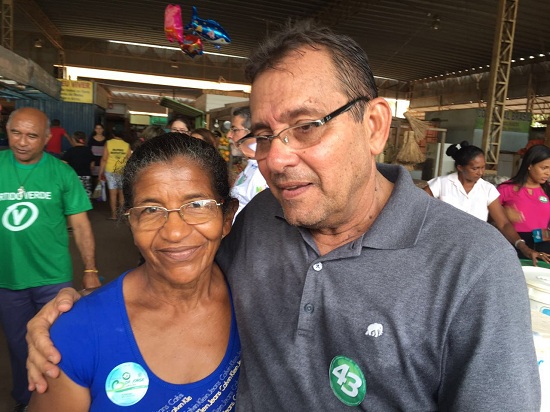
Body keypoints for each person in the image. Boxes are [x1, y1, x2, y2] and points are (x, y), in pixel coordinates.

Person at [26, 20, 540, 411]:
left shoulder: (473, 268)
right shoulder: (260, 219)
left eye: (307, 125)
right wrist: (76, 318)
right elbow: (178, 264)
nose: (275, 158)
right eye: (265, 134)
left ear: (376, 125)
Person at [27, 134, 239, 411]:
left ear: (226, 219)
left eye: (197, 205)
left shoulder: (251, 295)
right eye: (151, 209)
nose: (174, 232)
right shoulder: (77, 333)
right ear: (130, 221)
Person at [0, 107, 100, 412]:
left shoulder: (61, 172)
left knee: (56, 345)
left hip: (53, 278)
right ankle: (25, 399)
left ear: (47, 139)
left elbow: (81, 225)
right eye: (15, 132)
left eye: (32, 135)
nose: (22, 141)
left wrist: (90, 269)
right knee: (19, 347)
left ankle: (56, 401)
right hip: (8, 278)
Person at [424, 141, 548, 265]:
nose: (481, 172)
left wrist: (524, 248)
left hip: (473, 250)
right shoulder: (441, 184)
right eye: (475, 168)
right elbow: (417, 205)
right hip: (441, 246)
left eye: (483, 167)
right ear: (460, 167)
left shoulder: (487, 189)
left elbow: (503, 224)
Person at [498, 144, 550, 258]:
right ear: (530, 165)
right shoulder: (506, 189)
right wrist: (504, 213)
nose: (548, 173)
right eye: (544, 168)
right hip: (513, 243)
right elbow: (488, 219)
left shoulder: (547, 190)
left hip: (544, 246)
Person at [226, 106, 268, 217]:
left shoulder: (265, 171)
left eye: (235, 130)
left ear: (254, 133)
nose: (229, 135)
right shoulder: (252, 164)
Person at [98, 126, 130, 220]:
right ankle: (121, 215)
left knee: (112, 194)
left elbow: (104, 159)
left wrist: (100, 172)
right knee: (121, 194)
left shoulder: (108, 143)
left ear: (113, 134)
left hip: (110, 170)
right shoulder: (126, 145)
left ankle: (114, 215)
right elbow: (129, 159)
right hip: (122, 170)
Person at [61, 131, 95, 198]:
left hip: (73, 177)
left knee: (74, 197)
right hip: (86, 177)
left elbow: (63, 164)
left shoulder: (70, 151)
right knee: (85, 199)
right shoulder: (88, 151)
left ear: (73, 139)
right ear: (85, 139)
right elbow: (92, 165)